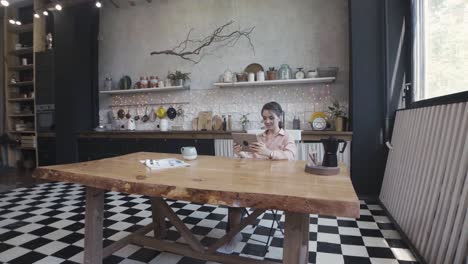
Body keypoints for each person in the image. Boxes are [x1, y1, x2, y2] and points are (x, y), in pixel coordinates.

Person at [218, 102, 296, 254]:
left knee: (238, 196)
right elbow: (251, 159)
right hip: (254, 181)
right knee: (234, 197)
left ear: (279, 117)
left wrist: (269, 153)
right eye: (264, 118)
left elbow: (291, 157)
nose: (267, 121)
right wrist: (241, 153)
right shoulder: (258, 136)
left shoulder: (287, 136)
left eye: (271, 118)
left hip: (276, 185)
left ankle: (292, 245)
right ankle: (233, 236)